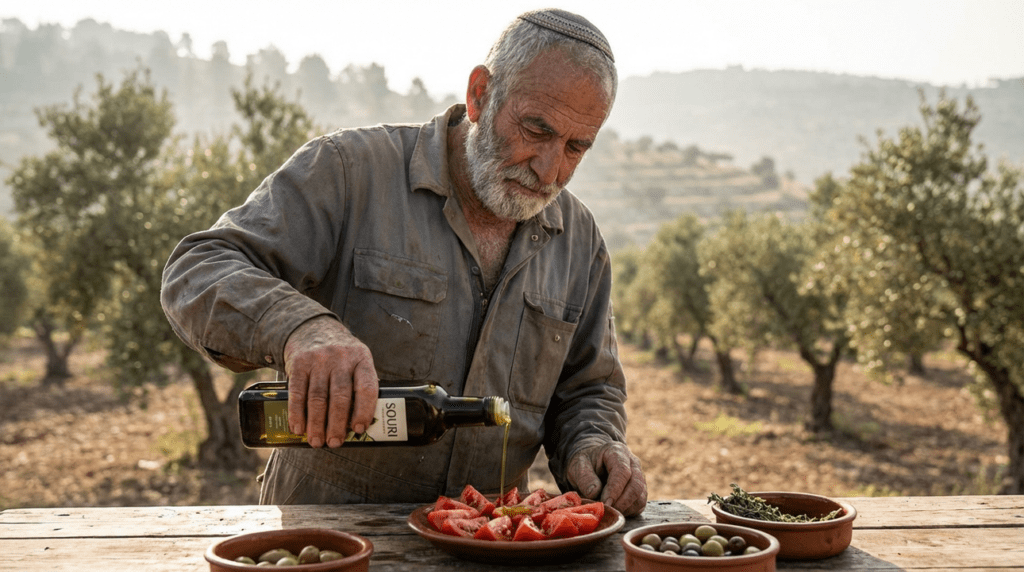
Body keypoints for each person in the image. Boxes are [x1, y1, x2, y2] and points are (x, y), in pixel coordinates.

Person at [160, 8, 648, 517]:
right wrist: (300, 328)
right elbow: (197, 267)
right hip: (334, 541)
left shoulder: (580, 241)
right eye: (535, 129)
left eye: (576, 147)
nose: (550, 169)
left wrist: (594, 443)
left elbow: (588, 389)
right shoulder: (349, 172)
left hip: (485, 541)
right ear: (480, 95)